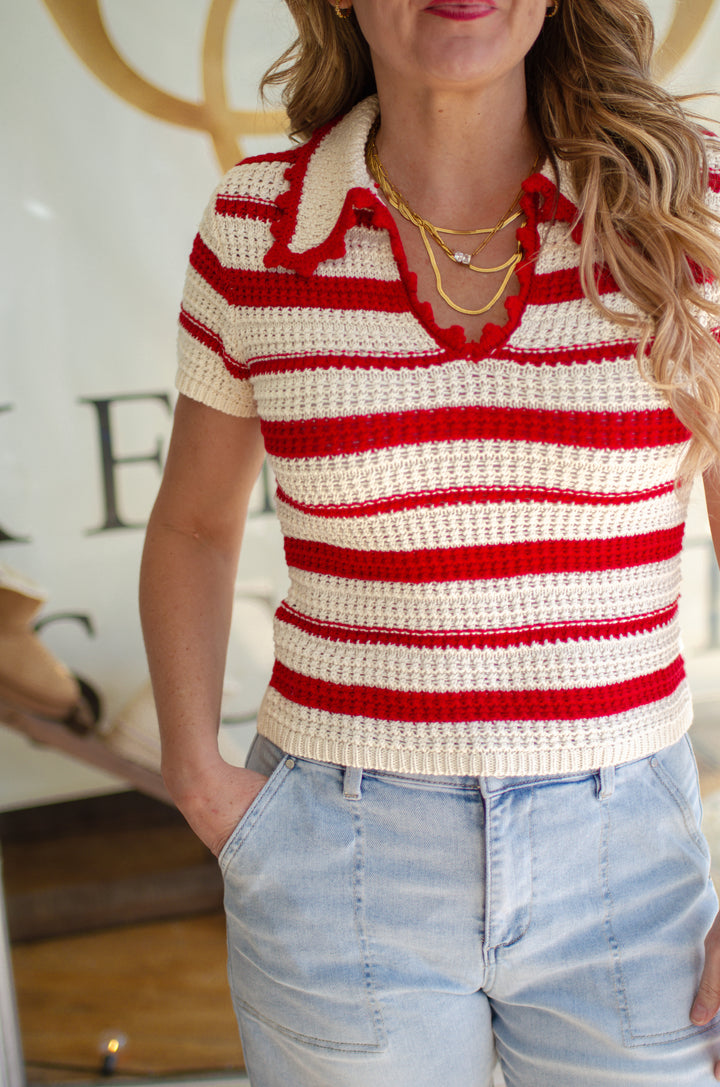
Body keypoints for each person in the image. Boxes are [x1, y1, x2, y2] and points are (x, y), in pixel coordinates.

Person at [139, 0, 720, 1082]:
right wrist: (197, 776)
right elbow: (192, 522)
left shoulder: (687, 209)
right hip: (338, 847)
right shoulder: (257, 227)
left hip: (626, 855)